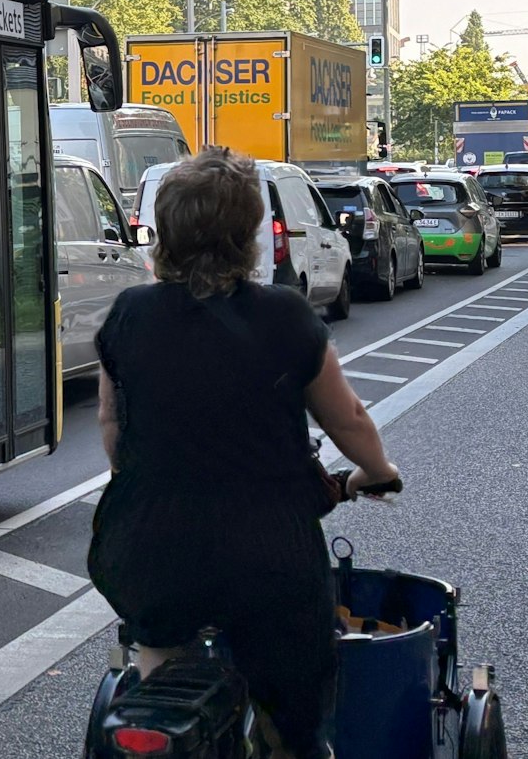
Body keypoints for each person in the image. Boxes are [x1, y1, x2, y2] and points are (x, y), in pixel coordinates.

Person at [87, 148, 399, 759]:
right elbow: (350, 421)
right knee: (299, 719)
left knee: (161, 684)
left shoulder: (129, 315)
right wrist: (378, 472)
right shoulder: (284, 315)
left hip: (152, 553)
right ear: (248, 232)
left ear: (166, 230)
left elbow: (111, 430)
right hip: (268, 558)